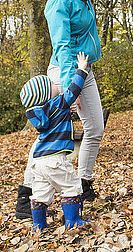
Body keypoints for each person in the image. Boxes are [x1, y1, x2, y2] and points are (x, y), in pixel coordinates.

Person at [15, 0, 125, 219]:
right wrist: (70, 87)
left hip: (83, 69)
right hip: (63, 73)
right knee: (49, 132)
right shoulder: (57, 3)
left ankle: (83, 182)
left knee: (95, 127)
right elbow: (62, 47)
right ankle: (26, 194)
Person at [20, 52, 91, 231]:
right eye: (51, 84)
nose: (55, 83)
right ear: (45, 94)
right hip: (55, 159)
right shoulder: (57, 103)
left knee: (41, 193)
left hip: (39, 161)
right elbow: (74, 89)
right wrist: (81, 69)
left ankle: (38, 225)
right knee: (71, 186)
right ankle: (72, 220)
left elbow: (61, 117)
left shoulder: (41, 113)